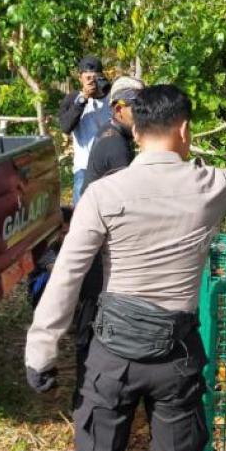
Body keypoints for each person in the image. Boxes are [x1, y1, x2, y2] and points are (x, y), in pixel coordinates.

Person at [24, 84, 226, 451]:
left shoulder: (103, 194)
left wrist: (41, 351)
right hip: (176, 359)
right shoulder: (212, 186)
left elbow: (68, 274)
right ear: (185, 130)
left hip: (111, 355)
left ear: (136, 132)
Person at [72, 75, 145, 410]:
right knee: (91, 324)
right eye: (138, 108)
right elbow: (127, 205)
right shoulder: (114, 143)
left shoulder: (118, 137)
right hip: (97, 251)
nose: (144, 115)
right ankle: (85, 399)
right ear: (119, 109)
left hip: (99, 247)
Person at [58, 55, 112, 205]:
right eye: (88, 77)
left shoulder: (111, 98)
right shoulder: (73, 99)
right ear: (80, 78)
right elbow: (65, 127)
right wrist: (83, 99)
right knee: (81, 215)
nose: (92, 81)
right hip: (84, 166)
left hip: (110, 166)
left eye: (96, 77)